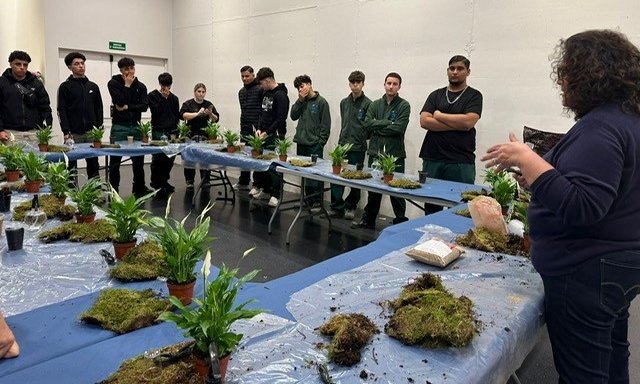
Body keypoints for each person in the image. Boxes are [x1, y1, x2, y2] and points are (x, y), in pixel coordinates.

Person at [481, 29, 640, 383]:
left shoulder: (602, 127)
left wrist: (525, 156)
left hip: (584, 271)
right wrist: (534, 174)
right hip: (619, 264)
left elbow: (583, 207)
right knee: (613, 352)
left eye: (565, 74)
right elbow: (596, 188)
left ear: (587, 74)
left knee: (583, 371)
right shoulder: (628, 121)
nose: (562, 84)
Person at [419, 55, 483, 213]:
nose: (455, 72)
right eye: (452, 68)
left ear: (468, 72)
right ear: (447, 71)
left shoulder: (474, 96)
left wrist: (439, 116)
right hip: (433, 157)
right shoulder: (436, 95)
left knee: (460, 206)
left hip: (460, 161)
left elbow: (468, 122)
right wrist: (457, 124)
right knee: (431, 205)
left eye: (460, 68)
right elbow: (424, 121)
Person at [352, 72, 410, 229]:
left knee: (397, 189)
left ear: (399, 87)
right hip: (375, 153)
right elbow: (367, 124)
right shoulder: (375, 105)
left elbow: (399, 128)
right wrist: (387, 123)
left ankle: (400, 222)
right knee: (373, 188)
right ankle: (368, 219)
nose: (391, 86)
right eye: (388, 83)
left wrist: (378, 126)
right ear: (384, 84)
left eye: (394, 84)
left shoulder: (404, 105)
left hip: (395, 154)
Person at [330, 70, 372, 219]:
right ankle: (337, 206)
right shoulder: (344, 102)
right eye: (352, 82)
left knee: (355, 179)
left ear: (363, 84)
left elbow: (369, 126)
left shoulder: (368, 104)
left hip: (358, 147)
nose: (355, 85)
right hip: (343, 145)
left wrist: (361, 137)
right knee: (337, 177)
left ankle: (351, 206)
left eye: (358, 83)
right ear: (349, 84)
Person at [107, 57, 151, 197]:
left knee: (138, 160)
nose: (130, 71)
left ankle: (139, 187)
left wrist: (127, 107)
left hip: (136, 126)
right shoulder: (113, 83)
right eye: (126, 69)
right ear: (120, 70)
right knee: (115, 161)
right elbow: (119, 101)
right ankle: (114, 191)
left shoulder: (141, 86)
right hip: (119, 127)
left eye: (132, 68)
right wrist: (126, 85)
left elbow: (144, 107)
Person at [57, 51, 103, 181]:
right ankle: (71, 196)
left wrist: (98, 128)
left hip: (91, 133)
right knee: (70, 166)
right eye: (76, 64)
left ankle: (95, 192)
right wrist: (66, 131)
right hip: (73, 134)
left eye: (82, 63)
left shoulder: (93, 86)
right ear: (70, 67)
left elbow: (99, 108)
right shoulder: (65, 87)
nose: (81, 66)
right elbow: (62, 110)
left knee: (93, 164)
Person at [291, 74, 331, 208]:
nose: (300, 89)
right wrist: (299, 100)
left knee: (315, 174)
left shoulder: (321, 102)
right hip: (301, 142)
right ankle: (307, 200)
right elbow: (293, 116)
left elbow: (325, 125)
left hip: (314, 145)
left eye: (302, 86)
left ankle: (317, 202)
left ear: (309, 84)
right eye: (298, 88)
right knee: (304, 173)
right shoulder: (301, 101)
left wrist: (320, 143)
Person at [252, 67, 289, 207]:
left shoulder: (281, 95)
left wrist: (267, 133)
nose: (261, 87)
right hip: (263, 134)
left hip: (275, 135)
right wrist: (259, 128)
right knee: (263, 164)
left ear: (267, 81)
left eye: (261, 83)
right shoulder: (265, 93)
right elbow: (262, 113)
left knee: (274, 165)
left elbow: (280, 118)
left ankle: (276, 194)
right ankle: (266, 190)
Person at [0, 50, 52, 143]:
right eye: (18, 64)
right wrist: (0, 130)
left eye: (25, 65)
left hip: (34, 132)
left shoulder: (36, 83)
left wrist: (47, 128)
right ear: (11, 64)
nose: (22, 67)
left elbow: (45, 106)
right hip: (9, 132)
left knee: (37, 157)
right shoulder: (2, 82)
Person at [180, 83, 219, 189]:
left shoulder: (208, 104)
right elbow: (183, 115)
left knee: (205, 158)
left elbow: (216, 119)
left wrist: (210, 114)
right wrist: (197, 113)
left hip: (205, 137)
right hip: (190, 136)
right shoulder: (188, 103)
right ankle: (189, 180)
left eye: (203, 92)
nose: (201, 94)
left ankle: (205, 179)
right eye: (199, 91)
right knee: (189, 158)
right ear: (195, 92)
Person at [148, 72, 180, 196]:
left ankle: (164, 181)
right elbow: (155, 112)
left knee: (170, 158)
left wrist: (177, 129)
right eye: (164, 85)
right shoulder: (152, 96)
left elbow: (176, 115)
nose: (166, 88)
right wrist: (162, 98)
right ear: (160, 84)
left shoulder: (174, 98)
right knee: (158, 158)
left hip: (172, 131)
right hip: (158, 130)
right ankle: (156, 183)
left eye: (168, 85)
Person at [237, 65, 263, 191]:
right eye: (242, 76)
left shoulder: (260, 89)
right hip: (245, 127)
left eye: (247, 76)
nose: (244, 78)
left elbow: (262, 111)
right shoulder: (241, 92)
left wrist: (259, 127)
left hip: (257, 129)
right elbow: (243, 110)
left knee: (257, 156)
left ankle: (257, 184)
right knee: (244, 155)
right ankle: (243, 181)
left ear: (253, 75)